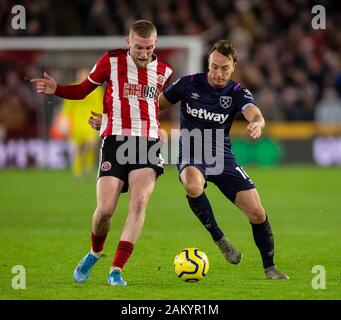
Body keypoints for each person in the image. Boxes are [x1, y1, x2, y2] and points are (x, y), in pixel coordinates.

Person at [89, 40, 289, 280]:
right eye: (214, 66)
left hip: (221, 156)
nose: (217, 73)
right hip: (191, 152)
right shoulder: (188, 84)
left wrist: (257, 123)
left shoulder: (236, 92)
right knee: (192, 184)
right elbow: (153, 106)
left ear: (234, 66)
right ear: (208, 63)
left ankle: (270, 268)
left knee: (257, 212)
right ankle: (220, 239)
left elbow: (253, 112)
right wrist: (114, 119)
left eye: (224, 68)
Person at [31, 20, 173, 286]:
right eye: (139, 47)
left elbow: (155, 104)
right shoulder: (111, 61)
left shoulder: (164, 71)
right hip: (115, 142)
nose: (144, 53)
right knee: (105, 210)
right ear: (128, 42)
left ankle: (117, 269)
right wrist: (57, 89)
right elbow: (85, 89)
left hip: (148, 143)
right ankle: (95, 252)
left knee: (139, 202)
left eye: (149, 48)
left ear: (155, 45)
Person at [51, 68, 103, 177]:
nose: (83, 77)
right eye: (81, 75)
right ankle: (77, 171)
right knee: (78, 148)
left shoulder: (96, 90)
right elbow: (67, 108)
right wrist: (64, 122)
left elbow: (100, 106)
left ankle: (88, 169)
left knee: (90, 145)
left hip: (91, 123)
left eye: (85, 75)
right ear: (77, 76)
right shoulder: (73, 88)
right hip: (76, 123)